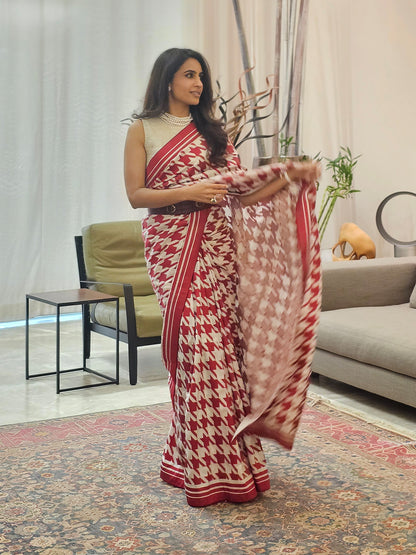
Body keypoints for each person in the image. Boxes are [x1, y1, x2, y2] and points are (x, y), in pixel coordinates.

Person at [124, 47, 321, 507]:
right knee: (200, 354)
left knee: (221, 360)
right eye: (189, 75)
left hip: (217, 247)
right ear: (167, 79)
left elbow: (241, 197)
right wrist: (191, 189)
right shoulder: (142, 130)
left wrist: (293, 177)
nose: (198, 84)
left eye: (201, 77)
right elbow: (136, 195)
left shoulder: (214, 133)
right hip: (171, 243)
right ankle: (210, 468)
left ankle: (207, 460)